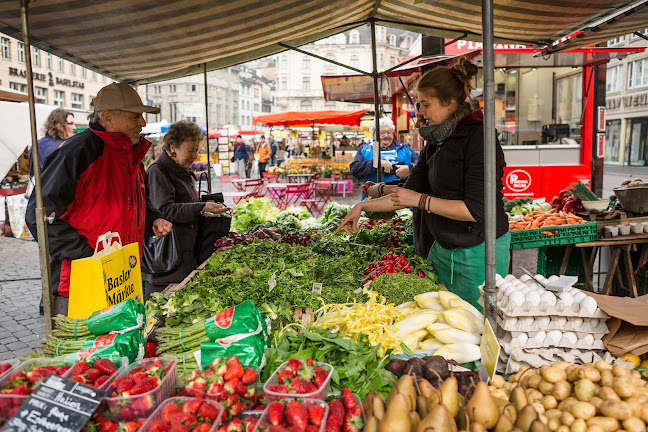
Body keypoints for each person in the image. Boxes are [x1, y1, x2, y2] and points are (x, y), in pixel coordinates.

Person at [337, 57, 510, 310]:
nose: (421, 112)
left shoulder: (479, 138)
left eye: (426, 104)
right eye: (419, 104)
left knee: (475, 328)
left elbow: (476, 210)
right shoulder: (436, 140)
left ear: (450, 103)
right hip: (442, 249)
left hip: (477, 252)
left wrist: (420, 201)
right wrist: (361, 208)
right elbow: (409, 190)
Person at [25, 82, 172, 316]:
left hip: (123, 276)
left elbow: (131, 204)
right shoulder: (78, 152)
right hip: (79, 282)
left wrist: (151, 219)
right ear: (107, 118)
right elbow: (41, 216)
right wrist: (89, 253)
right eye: (135, 116)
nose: (142, 123)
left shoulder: (131, 155)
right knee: (84, 351)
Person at [143, 121, 230, 299]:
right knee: (162, 315)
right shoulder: (159, 171)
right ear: (173, 147)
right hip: (167, 262)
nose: (195, 155)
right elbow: (164, 211)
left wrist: (205, 205)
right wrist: (201, 207)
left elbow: (184, 204)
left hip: (184, 258)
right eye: (190, 150)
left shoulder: (180, 169)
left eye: (197, 150)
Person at [349, 117, 419, 193]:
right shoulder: (366, 150)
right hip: (373, 197)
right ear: (374, 134)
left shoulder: (404, 149)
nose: (386, 135)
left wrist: (410, 168)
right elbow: (354, 169)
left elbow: (420, 163)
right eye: (382, 133)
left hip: (401, 196)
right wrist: (376, 163)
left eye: (389, 132)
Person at [29, 108, 76, 176]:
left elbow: (32, 174)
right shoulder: (64, 147)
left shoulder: (35, 145)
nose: (74, 127)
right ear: (59, 125)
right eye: (70, 124)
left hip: (40, 185)